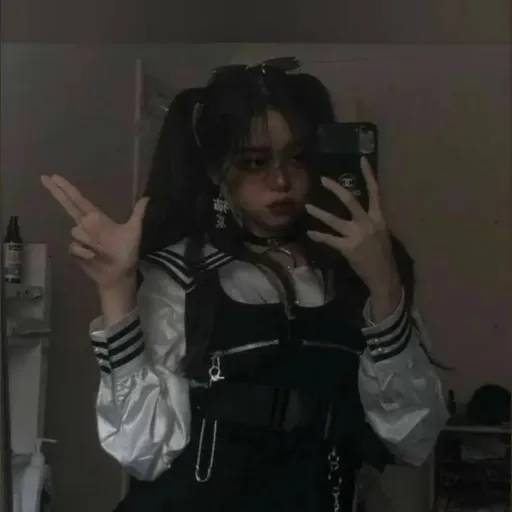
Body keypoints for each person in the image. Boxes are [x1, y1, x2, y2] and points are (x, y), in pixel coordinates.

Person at [42, 58, 448, 511]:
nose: (281, 180)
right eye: (255, 162)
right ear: (216, 170)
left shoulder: (355, 273)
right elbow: (141, 450)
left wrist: (385, 284)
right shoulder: (181, 275)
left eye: (297, 157)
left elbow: (413, 438)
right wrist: (116, 289)